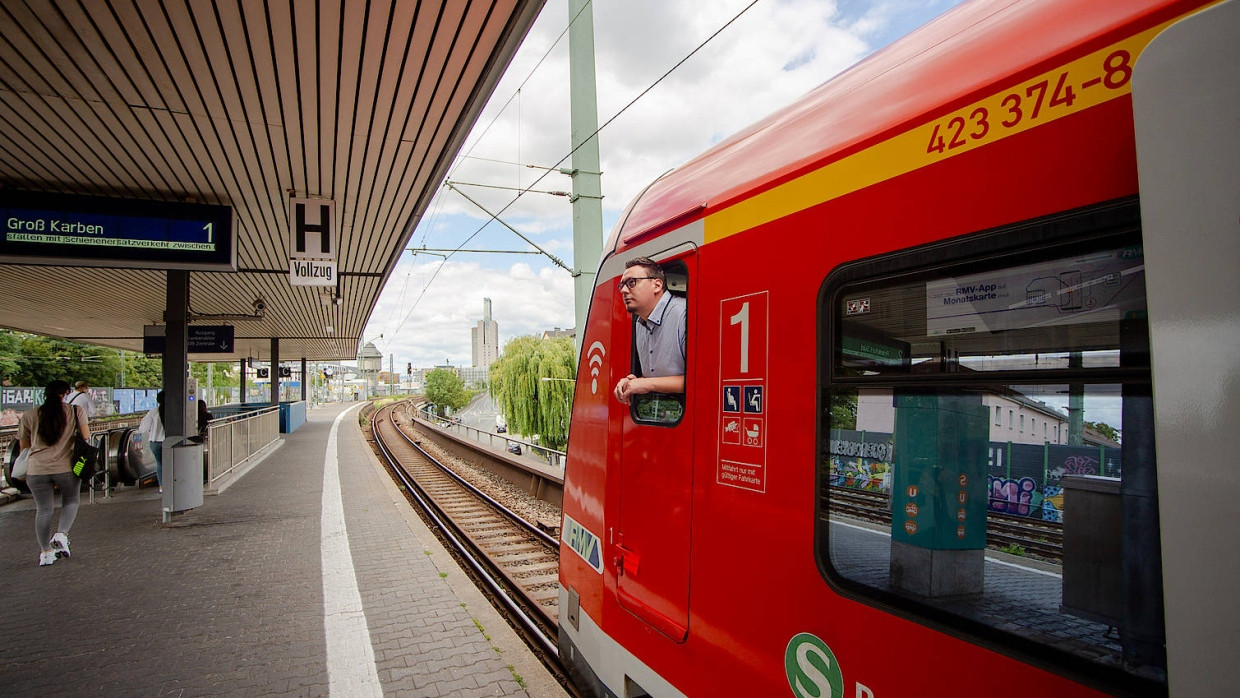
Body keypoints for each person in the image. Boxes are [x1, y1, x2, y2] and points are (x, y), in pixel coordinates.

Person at [18, 380, 90, 567]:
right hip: (66, 468)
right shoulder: (75, 411)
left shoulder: (29, 415)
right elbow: (86, 437)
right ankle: (61, 534)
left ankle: (45, 553)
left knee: (43, 510)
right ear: (66, 393)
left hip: (36, 470)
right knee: (71, 500)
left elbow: (24, 447)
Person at [613, 256, 687, 404]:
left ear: (657, 285)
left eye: (631, 282)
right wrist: (633, 383)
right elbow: (655, 377)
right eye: (622, 285)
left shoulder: (684, 314)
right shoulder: (640, 324)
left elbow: (703, 380)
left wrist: (646, 384)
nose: (624, 291)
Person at [138, 391, 166, 491]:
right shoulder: (173, 411)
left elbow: (143, 428)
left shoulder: (153, 412)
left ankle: (162, 486)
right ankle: (172, 484)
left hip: (155, 442)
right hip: (169, 442)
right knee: (171, 463)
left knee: (160, 464)